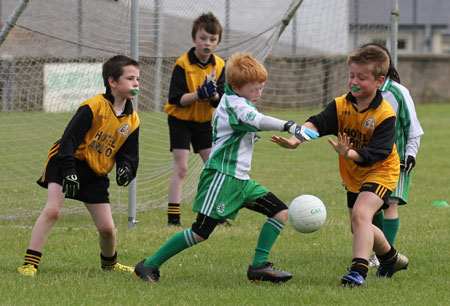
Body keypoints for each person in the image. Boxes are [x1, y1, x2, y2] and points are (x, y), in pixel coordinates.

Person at [134, 52, 319, 284]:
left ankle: (259, 267)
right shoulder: (235, 104)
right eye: (254, 89)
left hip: (241, 180)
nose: (258, 94)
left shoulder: (235, 100)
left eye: (261, 88)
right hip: (221, 178)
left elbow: (249, 121)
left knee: (280, 212)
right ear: (235, 86)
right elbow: (258, 120)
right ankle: (149, 264)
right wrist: (290, 126)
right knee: (201, 232)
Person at [271, 45, 409, 287]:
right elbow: (318, 123)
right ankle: (392, 258)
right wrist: (296, 139)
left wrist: (350, 153)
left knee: (361, 215)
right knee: (359, 226)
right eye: (352, 75)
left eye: (361, 78)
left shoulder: (385, 114)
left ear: (379, 81)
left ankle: (358, 272)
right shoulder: (340, 105)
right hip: (355, 174)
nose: (354, 82)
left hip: (382, 171)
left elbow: (378, 153)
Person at [17, 55, 140, 277]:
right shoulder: (92, 107)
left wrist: (126, 169)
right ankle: (30, 263)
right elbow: (68, 141)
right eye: (130, 78)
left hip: (95, 170)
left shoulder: (133, 120)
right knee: (53, 210)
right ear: (112, 82)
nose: (136, 83)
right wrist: (69, 171)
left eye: (137, 79)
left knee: (107, 229)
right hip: (66, 161)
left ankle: (110, 264)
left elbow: (129, 155)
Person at [360, 43, 424, 268]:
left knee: (390, 205)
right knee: (371, 206)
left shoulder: (398, 92)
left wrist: (410, 154)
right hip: (368, 159)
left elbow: (413, 127)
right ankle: (375, 252)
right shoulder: (359, 91)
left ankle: (386, 256)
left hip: (396, 160)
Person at [164, 12, 227, 226]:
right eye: (203, 38)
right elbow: (177, 99)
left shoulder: (219, 65)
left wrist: (213, 95)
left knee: (213, 167)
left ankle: (214, 214)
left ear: (218, 42)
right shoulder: (183, 64)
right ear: (194, 39)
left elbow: (219, 101)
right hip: (180, 121)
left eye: (212, 39)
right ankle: (173, 218)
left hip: (203, 124)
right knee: (181, 167)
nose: (207, 43)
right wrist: (200, 94)